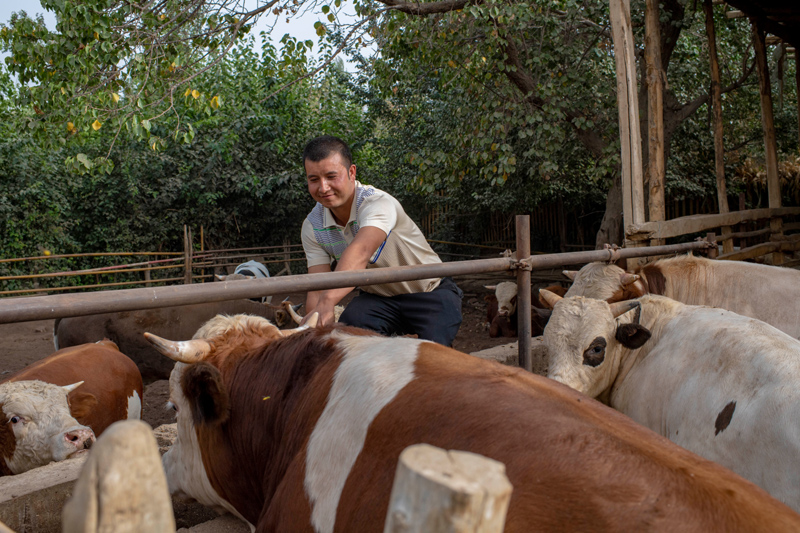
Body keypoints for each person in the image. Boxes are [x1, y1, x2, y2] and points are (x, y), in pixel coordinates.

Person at [300, 135, 463, 346]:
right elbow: (318, 287)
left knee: (434, 356)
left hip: (429, 291)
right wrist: (313, 327)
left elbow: (361, 251)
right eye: (314, 179)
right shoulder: (313, 226)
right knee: (349, 339)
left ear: (351, 172)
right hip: (378, 298)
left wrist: (328, 301)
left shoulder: (376, 203)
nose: (323, 188)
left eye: (332, 176)